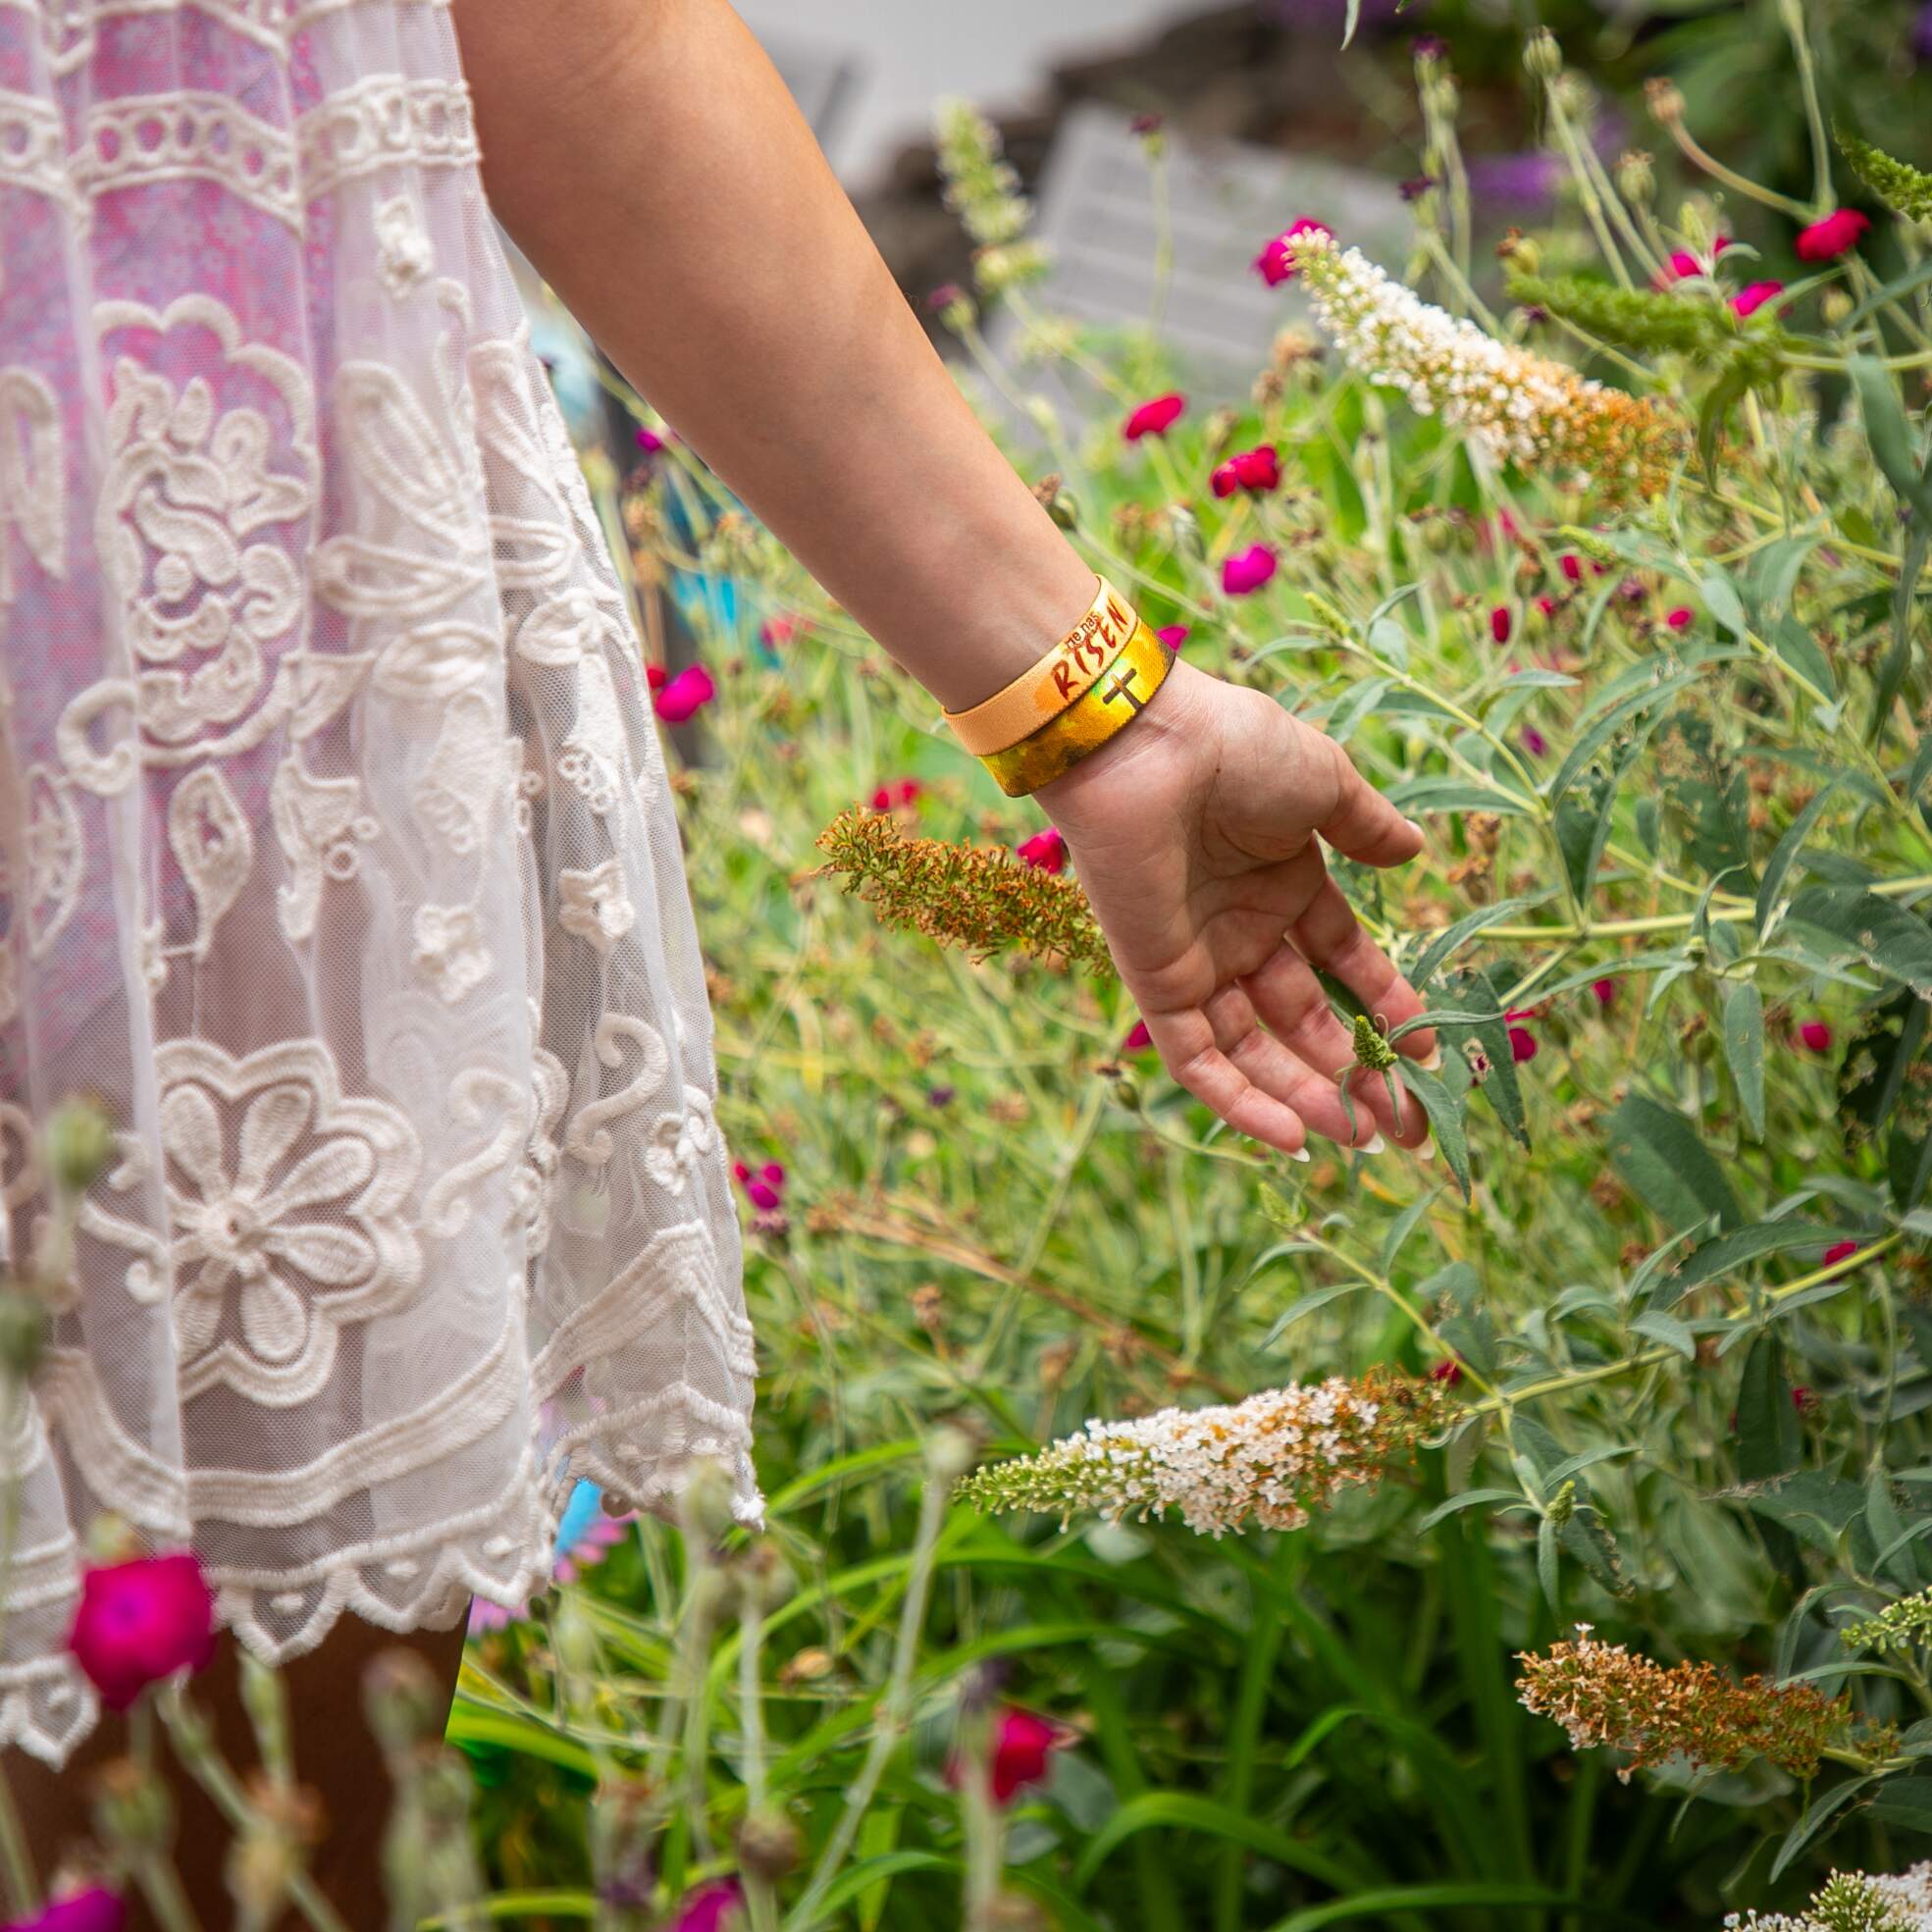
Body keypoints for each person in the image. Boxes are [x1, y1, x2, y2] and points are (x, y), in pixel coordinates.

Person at [1, 0, 1435, 1915]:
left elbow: (570, 41)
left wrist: (1102, 713)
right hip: (202, 629)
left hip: (206, 676)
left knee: (226, 1809)